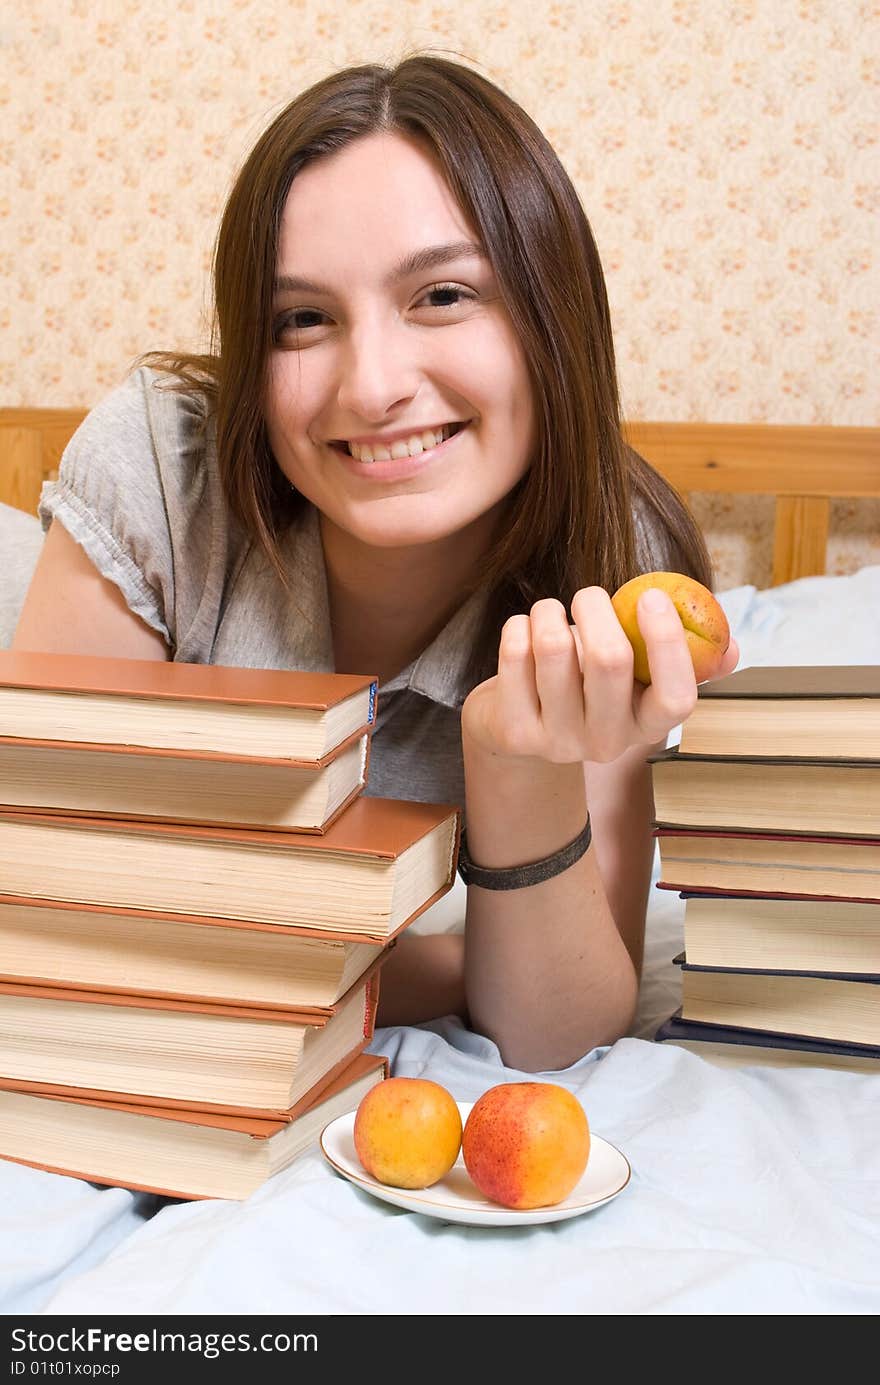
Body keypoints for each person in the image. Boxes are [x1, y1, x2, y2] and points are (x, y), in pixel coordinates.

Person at [13, 54, 738, 1072]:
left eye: (441, 294)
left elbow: (557, 1026)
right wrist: (443, 964)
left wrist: (512, 760)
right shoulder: (160, 468)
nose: (373, 384)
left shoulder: (615, 565)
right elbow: (40, 914)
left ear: (549, 320)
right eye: (303, 319)